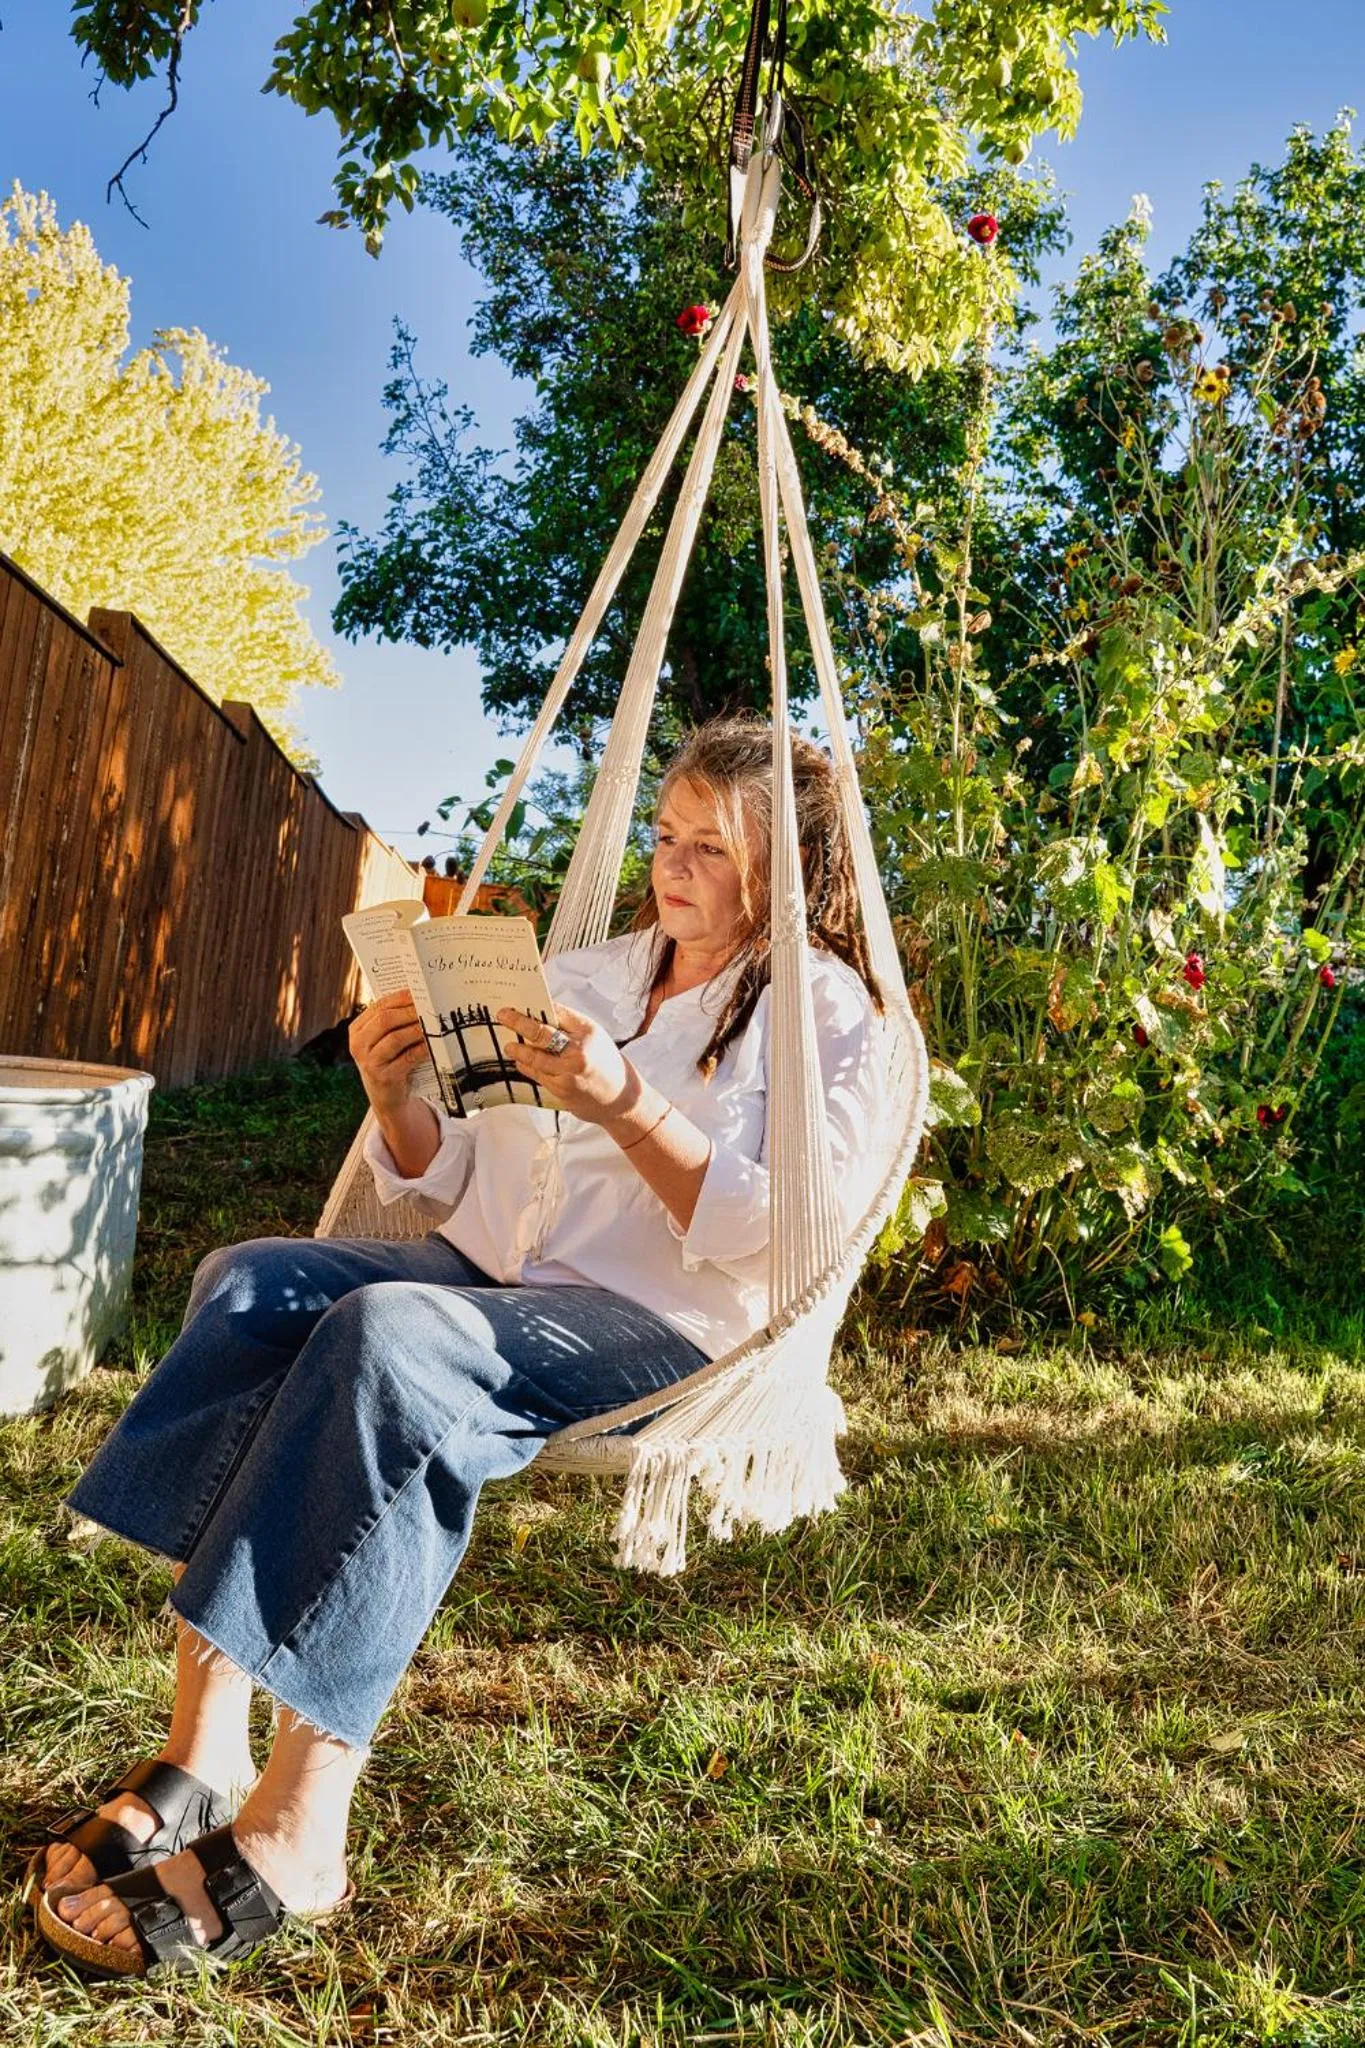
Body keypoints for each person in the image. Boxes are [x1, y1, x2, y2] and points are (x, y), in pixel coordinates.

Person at [31, 716, 888, 1977]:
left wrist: (627, 1105)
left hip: (662, 1326)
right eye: (666, 834)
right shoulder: (586, 975)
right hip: (484, 1272)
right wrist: (393, 1098)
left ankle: (302, 1823)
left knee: (392, 1337)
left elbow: (787, 1236)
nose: (673, 864)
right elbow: (450, 1177)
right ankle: (201, 1748)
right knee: (250, 1284)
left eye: (713, 846)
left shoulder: (826, 1014)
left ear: (792, 870)